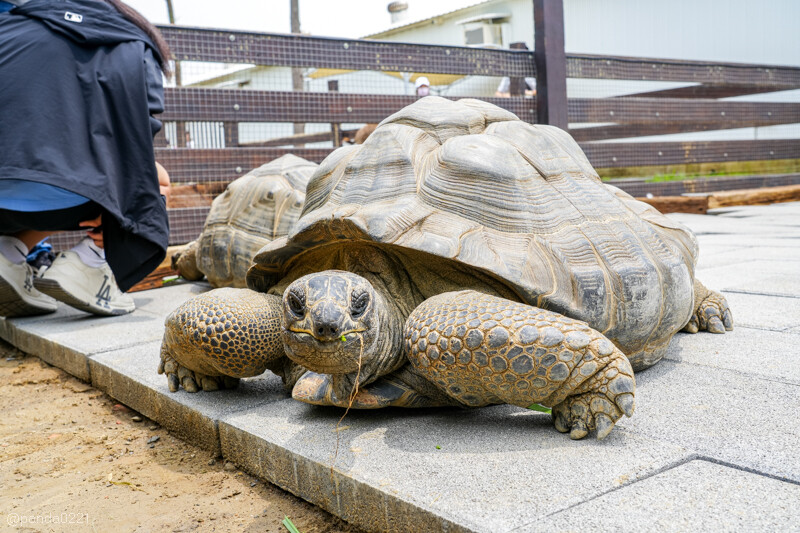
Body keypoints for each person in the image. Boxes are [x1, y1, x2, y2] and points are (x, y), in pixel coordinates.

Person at [0, 0, 172, 317]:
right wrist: (117, 205)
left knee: (39, 175)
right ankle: (89, 262)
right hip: (70, 201)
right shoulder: (131, 40)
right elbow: (138, 147)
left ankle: (8, 254)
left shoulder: (9, 24)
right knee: (157, 179)